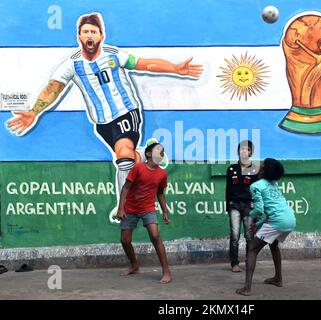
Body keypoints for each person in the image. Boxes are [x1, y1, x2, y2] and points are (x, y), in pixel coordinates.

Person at [6, 12, 203, 223]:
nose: (89, 35)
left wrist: (174, 68)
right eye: (85, 32)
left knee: (123, 156)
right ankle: (148, 157)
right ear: (79, 37)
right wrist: (35, 112)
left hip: (126, 113)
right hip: (102, 124)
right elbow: (53, 88)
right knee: (127, 158)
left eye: (93, 31)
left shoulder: (113, 55)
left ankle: (124, 208)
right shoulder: (72, 64)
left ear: (100, 36)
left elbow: (145, 64)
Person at [236, 158, 296, 296]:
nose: (259, 166)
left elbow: (259, 209)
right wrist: (258, 224)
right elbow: (269, 212)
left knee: (252, 249)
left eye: (261, 166)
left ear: (262, 171)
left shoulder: (255, 186)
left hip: (277, 221)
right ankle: (278, 279)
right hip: (290, 219)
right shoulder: (274, 185)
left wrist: (249, 215)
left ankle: (247, 288)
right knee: (274, 245)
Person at [115, 142, 172, 284]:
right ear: (148, 154)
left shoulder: (162, 174)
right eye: (159, 151)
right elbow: (126, 188)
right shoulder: (138, 168)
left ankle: (166, 271)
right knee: (125, 240)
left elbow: (160, 194)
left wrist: (165, 211)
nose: (161, 153)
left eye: (163, 152)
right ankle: (134, 266)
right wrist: (121, 208)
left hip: (148, 209)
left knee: (155, 235)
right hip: (130, 208)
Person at [225, 140, 259, 272]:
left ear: (251, 152)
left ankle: (249, 261)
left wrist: (257, 210)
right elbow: (228, 189)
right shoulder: (231, 169)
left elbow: (257, 191)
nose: (244, 151)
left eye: (247, 149)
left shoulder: (255, 169)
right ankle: (234, 263)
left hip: (249, 206)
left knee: (249, 236)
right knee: (234, 235)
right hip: (234, 205)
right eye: (241, 149)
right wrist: (228, 207)